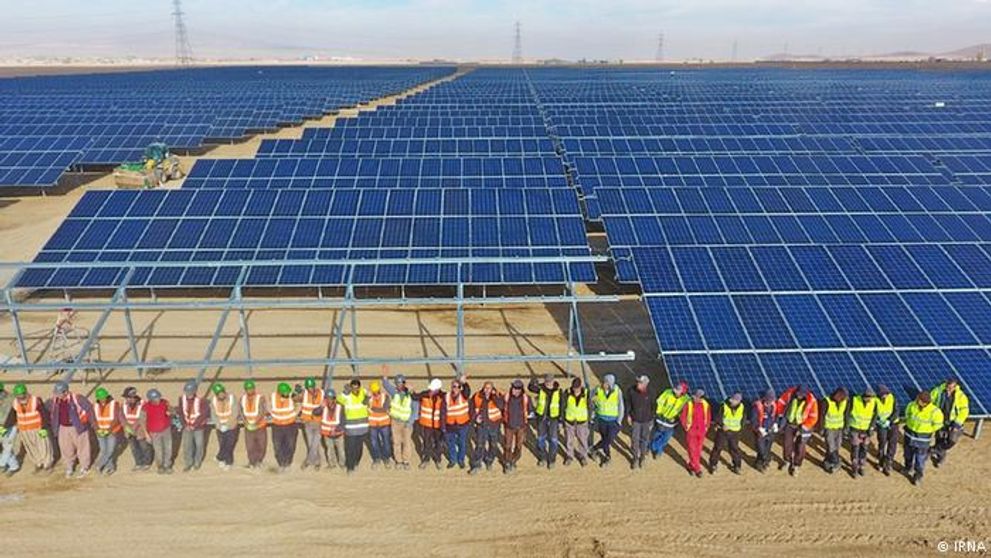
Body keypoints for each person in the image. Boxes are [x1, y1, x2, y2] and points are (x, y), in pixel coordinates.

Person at [50, 380, 94, 479]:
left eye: (58, 393)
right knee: (66, 448)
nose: (57, 395)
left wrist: (85, 422)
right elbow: (52, 413)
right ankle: (69, 466)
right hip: (63, 427)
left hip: (77, 427)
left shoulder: (77, 398)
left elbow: (89, 409)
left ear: (65, 392)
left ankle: (84, 467)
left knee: (82, 448)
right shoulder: (56, 400)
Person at [903, 391, 944, 486]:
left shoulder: (935, 412)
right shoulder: (912, 405)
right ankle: (908, 467)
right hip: (909, 435)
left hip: (923, 440)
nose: (917, 400)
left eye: (919, 400)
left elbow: (938, 425)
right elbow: (907, 414)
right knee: (907, 454)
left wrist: (926, 430)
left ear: (925, 402)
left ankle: (918, 476)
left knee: (920, 459)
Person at [776, 385, 818, 476]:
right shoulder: (790, 394)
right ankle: (787, 461)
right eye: (798, 393)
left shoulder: (812, 401)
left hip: (803, 426)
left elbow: (813, 417)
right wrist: (780, 416)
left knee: (800, 446)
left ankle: (796, 465)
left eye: (802, 394)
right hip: (790, 423)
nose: (799, 395)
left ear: (806, 394)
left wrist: (804, 427)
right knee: (787, 444)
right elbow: (781, 402)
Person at [10, 383, 53, 473]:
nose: (20, 397)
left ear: (25, 393)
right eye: (18, 395)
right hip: (24, 429)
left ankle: (47, 464)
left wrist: (44, 427)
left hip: (37, 428)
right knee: (31, 447)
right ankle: (38, 463)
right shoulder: (14, 403)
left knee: (43, 446)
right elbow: (13, 416)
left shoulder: (35, 400)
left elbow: (44, 414)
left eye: (21, 395)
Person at [931, 378, 970, 468]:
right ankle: (940, 458)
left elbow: (964, 411)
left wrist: (957, 423)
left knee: (951, 440)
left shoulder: (960, 396)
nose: (948, 389)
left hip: (953, 423)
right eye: (947, 387)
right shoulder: (938, 391)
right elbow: (931, 401)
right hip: (940, 421)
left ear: (955, 386)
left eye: (951, 388)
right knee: (939, 439)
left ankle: (936, 449)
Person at [382, 370, 416, 470]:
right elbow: (386, 385)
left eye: (401, 382)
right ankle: (399, 461)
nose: (399, 385)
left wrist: (410, 422)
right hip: (395, 422)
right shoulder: (394, 392)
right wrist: (384, 377)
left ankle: (406, 461)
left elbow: (415, 410)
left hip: (406, 423)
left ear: (404, 383)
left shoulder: (411, 395)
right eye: (397, 383)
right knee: (396, 442)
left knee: (406, 442)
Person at [528, 374, 562, 469]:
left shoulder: (559, 392)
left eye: (549, 381)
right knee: (540, 439)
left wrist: (560, 419)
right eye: (546, 381)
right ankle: (542, 458)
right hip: (541, 417)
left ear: (553, 381)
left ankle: (551, 460)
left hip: (553, 418)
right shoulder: (541, 389)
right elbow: (530, 388)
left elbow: (562, 405)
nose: (548, 383)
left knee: (553, 440)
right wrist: (533, 380)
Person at [469, 380, 503, 474]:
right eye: (485, 388)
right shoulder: (477, 396)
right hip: (481, 425)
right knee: (480, 445)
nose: (487, 390)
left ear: (492, 388)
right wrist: (475, 418)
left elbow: (501, 405)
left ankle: (489, 461)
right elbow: (471, 409)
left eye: (489, 388)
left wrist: (494, 397)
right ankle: (476, 465)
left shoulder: (498, 395)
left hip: (494, 425)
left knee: (493, 445)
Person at [591, 374, 624, 467]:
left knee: (608, 439)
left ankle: (594, 448)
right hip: (602, 419)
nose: (604, 384)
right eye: (603, 382)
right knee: (605, 439)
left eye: (606, 382)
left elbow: (621, 405)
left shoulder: (617, 390)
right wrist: (593, 405)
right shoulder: (598, 390)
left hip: (613, 421)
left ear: (610, 384)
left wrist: (619, 420)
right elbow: (591, 399)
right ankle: (607, 456)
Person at [412, 378, 445, 469]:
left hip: (438, 425)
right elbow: (415, 397)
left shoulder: (443, 397)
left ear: (438, 389)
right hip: (427, 425)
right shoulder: (425, 395)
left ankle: (438, 459)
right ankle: (426, 459)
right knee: (427, 442)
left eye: (433, 389)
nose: (431, 390)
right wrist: (410, 390)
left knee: (438, 443)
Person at [651, 381, 688, 459]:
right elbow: (660, 401)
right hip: (661, 419)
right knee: (656, 435)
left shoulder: (686, 400)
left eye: (678, 390)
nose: (675, 390)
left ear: (683, 392)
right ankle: (657, 450)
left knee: (666, 438)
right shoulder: (668, 392)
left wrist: (678, 417)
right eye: (676, 388)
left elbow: (686, 411)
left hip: (672, 423)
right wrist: (659, 413)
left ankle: (654, 448)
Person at [709, 392, 744, 475]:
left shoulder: (742, 407)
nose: (732, 402)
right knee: (718, 448)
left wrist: (740, 428)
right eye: (732, 400)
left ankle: (737, 466)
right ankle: (713, 465)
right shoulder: (723, 405)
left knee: (734, 449)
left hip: (735, 432)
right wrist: (721, 424)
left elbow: (743, 418)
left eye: (735, 401)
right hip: (723, 431)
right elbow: (718, 417)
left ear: (739, 401)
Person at [339, 379, 369, 474]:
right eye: (353, 387)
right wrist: (345, 392)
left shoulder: (363, 393)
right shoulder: (347, 396)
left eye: (357, 387)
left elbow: (369, 396)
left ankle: (356, 462)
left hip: (362, 428)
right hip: (351, 429)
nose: (355, 389)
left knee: (359, 448)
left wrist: (367, 397)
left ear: (359, 387)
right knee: (350, 448)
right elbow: (339, 399)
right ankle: (350, 466)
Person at [270, 382, 300, 472]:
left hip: (290, 425)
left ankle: (288, 463)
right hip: (277, 426)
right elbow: (268, 406)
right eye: (285, 393)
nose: (287, 394)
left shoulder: (292, 396)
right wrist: (273, 415)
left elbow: (299, 404)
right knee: (277, 446)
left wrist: (294, 414)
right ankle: (281, 463)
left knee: (290, 445)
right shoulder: (273, 397)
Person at [178, 380, 208, 472]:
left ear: (194, 391)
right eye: (187, 391)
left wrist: (194, 425)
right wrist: (185, 425)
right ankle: (188, 463)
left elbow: (203, 414)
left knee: (199, 445)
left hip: (198, 427)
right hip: (187, 427)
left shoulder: (201, 401)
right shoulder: (181, 399)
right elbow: (181, 413)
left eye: (190, 392)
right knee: (187, 446)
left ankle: (197, 462)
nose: (188, 394)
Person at [142, 388, 174, 474]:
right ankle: (160, 466)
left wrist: (170, 412)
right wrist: (146, 434)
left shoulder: (165, 402)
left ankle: (167, 465)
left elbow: (172, 411)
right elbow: (142, 421)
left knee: (168, 448)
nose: (158, 399)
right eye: (156, 398)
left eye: (159, 397)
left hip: (166, 430)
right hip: (154, 432)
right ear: (151, 400)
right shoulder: (146, 407)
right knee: (158, 450)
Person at [847, 387, 878, 477]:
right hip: (855, 429)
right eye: (869, 398)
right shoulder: (855, 401)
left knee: (864, 448)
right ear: (864, 396)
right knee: (855, 448)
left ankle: (862, 466)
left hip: (867, 430)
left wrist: (872, 427)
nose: (870, 400)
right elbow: (848, 414)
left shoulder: (873, 402)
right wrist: (847, 427)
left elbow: (874, 416)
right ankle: (854, 467)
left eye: (871, 398)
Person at [120, 387, 152, 471]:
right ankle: (138, 463)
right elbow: (121, 416)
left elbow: (141, 418)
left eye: (128, 398)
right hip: (129, 430)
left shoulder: (142, 404)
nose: (127, 399)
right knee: (133, 447)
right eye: (126, 398)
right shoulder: (124, 404)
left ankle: (147, 462)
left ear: (133, 397)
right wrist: (126, 427)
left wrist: (133, 427)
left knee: (144, 446)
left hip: (140, 429)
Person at [92, 387, 123, 476]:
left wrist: (108, 430)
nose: (102, 400)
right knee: (103, 450)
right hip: (100, 432)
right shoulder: (95, 406)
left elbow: (117, 418)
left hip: (112, 432)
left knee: (110, 450)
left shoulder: (115, 404)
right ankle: (110, 467)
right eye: (100, 398)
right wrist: (97, 429)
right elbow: (93, 419)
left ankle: (99, 465)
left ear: (107, 396)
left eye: (103, 398)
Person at [502, 379, 530, 474]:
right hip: (509, 426)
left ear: (520, 390)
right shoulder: (507, 397)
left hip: (521, 426)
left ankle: (513, 460)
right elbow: (501, 406)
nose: (514, 390)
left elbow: (529, 411)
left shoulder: (525, 398)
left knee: (518, 447)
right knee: (507, 446)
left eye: (516, 388)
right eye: (513, 387)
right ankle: (507, 463)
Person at [626, 375, 654, 470]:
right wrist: (628, 415)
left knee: (644, 439)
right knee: (635, 439)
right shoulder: (631, 391)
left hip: (646, 420)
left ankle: (642, 457)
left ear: (645, 384)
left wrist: (651, 420)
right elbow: (628, 404)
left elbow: (653, 406)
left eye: (640, 383)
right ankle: (635, 458)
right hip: (636, 420)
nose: (638, 384)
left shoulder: (651, 393)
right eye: (638, 382)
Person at [562, 378, 592, 467]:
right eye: (574, 388)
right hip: (569, 420)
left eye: (577, 388)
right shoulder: (567, 393)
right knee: (569, 440)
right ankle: (569, 456)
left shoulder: (586, 393)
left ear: (580, 386)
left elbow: (590, 406)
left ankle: (583, 456)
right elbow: (563, 406)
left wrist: (588, 418)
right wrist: (563, 419)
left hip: (582, 421)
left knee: (582, 439)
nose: (575, 390)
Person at [681, 389, 710, 477]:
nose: (694, 398)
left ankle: (691, 465)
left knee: (698, 449)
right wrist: (686, 427)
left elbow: (708, 416)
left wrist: (706, 427)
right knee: (692, 449)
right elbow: (683, 416)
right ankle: (697, 468)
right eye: (695, 396)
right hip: (692, 430)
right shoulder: (688, 404)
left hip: (701, 430)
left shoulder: (705, 405)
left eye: (697, 397)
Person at [239, 380, 268, 469]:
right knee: (250, 445)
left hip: (260, 426)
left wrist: (256, 422)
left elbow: (262, 411)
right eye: (248, 389)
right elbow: (241, 412)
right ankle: (252, 462)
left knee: (261, 445)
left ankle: (259, 461)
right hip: (248, 426)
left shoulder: (260, 398)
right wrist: (246, 422)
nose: (250, 391)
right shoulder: (242, 399)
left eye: (251, 389)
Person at [444, 378, 471, 470]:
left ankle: (461, 460)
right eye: (453, 386)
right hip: (450, 425)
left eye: (458, 387)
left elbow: (467, 390)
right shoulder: (446, 396)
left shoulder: (464, 395)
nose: (455, 388)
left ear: (460, 388)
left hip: (462, 424)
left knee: (462, 443)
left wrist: (465, 382)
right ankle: (452, 460)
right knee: (451, 443)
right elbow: (443, 411)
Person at [210, 383, 238, 471]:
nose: (221, 395)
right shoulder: (213, 401)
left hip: (231, 426)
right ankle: (222, 459)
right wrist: (219, 425)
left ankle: (228, 462)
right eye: (219, 394)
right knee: (222, 444)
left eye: (222, 392)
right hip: (220, 427)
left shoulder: (232, 398)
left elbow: (235, 412)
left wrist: (228, 425)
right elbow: (213, 415)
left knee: (229, 444)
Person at [299, 377, 325, 471]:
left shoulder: (321, 393)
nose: (310, 389)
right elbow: (296, 397)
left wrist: (322, 408)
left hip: (318, 422)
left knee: (315, 443)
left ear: (314, 386)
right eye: (308, 387)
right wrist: (297, 391)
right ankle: (317, 462)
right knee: (311, 443)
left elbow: (326, 404)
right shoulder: (304, 394)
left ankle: (308, 461)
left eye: (311, 387)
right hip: (307, 422)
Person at [751, 389, 779, 472]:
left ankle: (761, 463)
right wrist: (759, 429)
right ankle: (764, 460)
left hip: (770, 431)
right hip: (760, 432)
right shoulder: (757, 406)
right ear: (765, 399)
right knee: (761, 449)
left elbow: (776, 416)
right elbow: (754, 420)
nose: (770, 402)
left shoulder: (774, 405)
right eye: (769, 400)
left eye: (772, 400)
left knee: (767, 448)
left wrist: (776, 424)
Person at [821, 388, 848, 474]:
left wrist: (846, 427)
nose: (843, 399)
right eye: (842, 397)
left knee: (837, 446)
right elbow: (822, 416)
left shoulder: (844, 402)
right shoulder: (826, 401)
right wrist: (822, 428)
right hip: (829, 428)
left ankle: (827, 462)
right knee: (831, 446)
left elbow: (845, 414)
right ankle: (836, 463)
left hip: (839, 427)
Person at [367, 380, 393, 469]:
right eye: (374, 392)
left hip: (384, 423)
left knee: (386, 442)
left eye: (377, 391)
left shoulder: (385, 397)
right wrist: (367, 397)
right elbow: (363, 404)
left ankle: (386, 458)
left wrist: (373, 408)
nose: (376, 393)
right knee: (374, 442)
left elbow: (384, 409)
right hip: (372, 424)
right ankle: (377, 458)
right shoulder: (369, 398)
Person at [874, 385, 899, 476]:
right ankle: (880, 461)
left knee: (892, 443)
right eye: (882, 394)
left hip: (893, 424)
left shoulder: (892, 398)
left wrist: (889, 420)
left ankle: (888, 462)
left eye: (885, 394)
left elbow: (896, 411)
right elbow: (874, 412)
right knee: (882, 443)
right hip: (881, 425)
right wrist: (877, 421)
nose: (884, 396)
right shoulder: (875, 400)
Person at [319, 388, 345, 470]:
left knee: (341, 450)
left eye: (331, 398)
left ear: (334, 398)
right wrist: (320, 408)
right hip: (327, 434)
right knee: (330, 450)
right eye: (327, 398)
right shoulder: (323, 407)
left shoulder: (340, 407)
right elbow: (315, 413)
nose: (329, 400)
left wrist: (337, 429)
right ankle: (332, 464)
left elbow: (343, 421)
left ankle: (342, 464)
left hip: (338, 434)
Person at [0, 383, 19, 476]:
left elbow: (12, 415)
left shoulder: (10, 399)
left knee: (8, 445)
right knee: (4, 446)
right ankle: (13, 465)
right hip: (2, 427)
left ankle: (2, 464)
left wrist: (3, 426)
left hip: (10, 426)